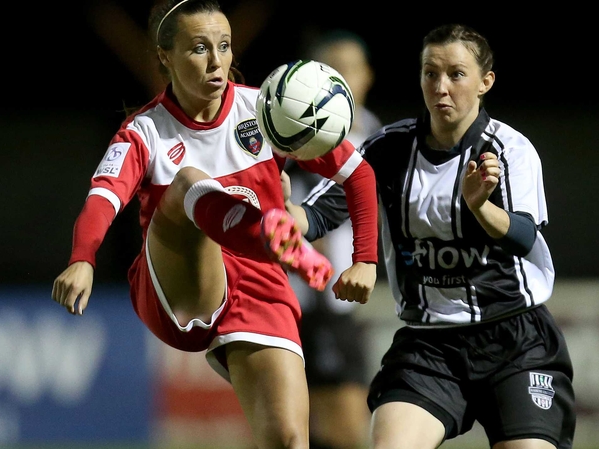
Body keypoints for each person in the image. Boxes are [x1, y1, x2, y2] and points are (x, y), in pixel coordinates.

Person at [50, 1, 379, 448]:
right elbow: (103, 198)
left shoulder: (264, 109)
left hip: (258, 285)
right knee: (188, 183)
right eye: (198, 48)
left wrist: (365, 260)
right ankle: (274, 241)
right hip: (178, 284)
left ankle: (272, 243)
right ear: (165, 57)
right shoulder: (145, 132)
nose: (216, 61)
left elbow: (358, 173)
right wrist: (82, 258)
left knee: (287, 439)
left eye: (223, 46)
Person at [284, 23, 576, 448]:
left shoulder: (510, 150)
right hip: (429, 345)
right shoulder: (387, 149)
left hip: (516, 339)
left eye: (456, 74)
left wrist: (479, 207)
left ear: (484, 83)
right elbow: (320, 213)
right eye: (430, 73)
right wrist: (285, 216)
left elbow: (524, 235)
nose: (441, 87)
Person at [282, 29, 383, 449]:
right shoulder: (294, 128)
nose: (341, 78)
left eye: (350, 69)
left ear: (367, 77)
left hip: (346, 299)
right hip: (303, 297)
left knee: (324, 424)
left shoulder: (378, 135)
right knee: (326, 425)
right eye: (331, 69)